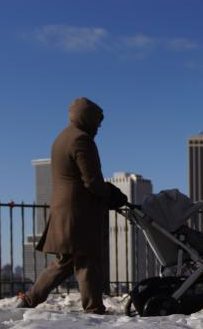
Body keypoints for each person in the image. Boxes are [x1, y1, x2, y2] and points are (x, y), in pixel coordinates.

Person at [17, 97, 127, 313]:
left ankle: (29, 300)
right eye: (97, 121)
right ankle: (93, 308)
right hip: (79, 211)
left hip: (65, 209)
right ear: (87, 118)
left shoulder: (62, 137)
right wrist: (114, 195)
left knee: (66, 261)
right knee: (88, 260)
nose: (99, 126)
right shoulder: (82, 140)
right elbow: (92, 181)